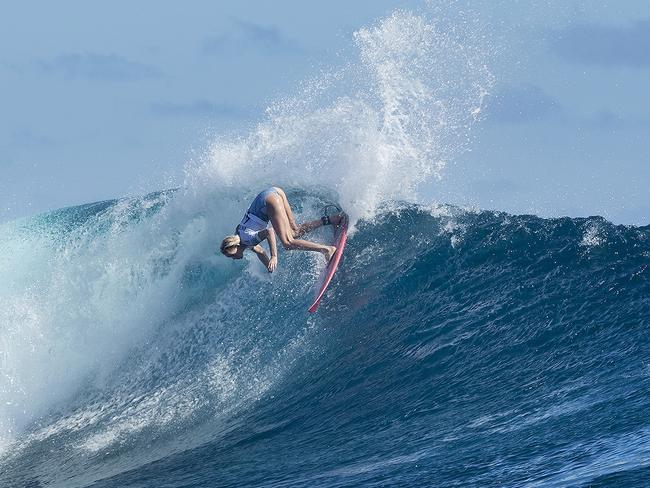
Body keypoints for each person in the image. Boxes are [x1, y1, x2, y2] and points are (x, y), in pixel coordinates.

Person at [220, 187, 342, 273]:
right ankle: (332, 219)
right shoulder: (242, 239)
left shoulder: (247, 239)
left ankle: (327, 250)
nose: (233, 258)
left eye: (231, 255)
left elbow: (269, 232)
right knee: (294, 231)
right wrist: (269, 265)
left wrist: (274, 256)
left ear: (235, 247)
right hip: (274, 192)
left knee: (288, 243)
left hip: (269, 201)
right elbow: (259, 251)